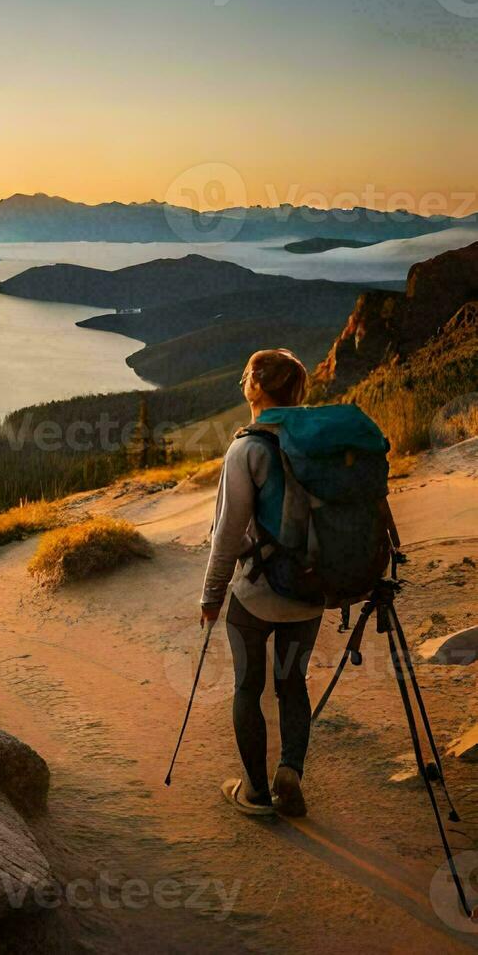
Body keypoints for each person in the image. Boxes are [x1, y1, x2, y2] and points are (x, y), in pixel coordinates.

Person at [200, 349, 323, 818]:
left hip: (256, 595)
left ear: (256, 386)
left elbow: (228, 534)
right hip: (310, 590)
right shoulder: (317, 440)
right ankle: (290, 770)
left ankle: (254, 791)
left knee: (248, 687)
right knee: (293, 684)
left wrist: (212, 595)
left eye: (246, 375)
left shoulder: (246, 448)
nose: (242, 382)